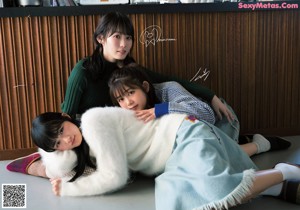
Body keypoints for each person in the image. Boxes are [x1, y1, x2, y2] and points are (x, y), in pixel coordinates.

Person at [6, 11, 235, 178]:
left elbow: (169, 81)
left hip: (128, 132)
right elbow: (67, 114)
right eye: (117, 37)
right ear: (101, 39)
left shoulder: (130, 70)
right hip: (91, 133)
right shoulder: (83, 71)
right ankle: (38, 162)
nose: (124, 44)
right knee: (65, 165)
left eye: (128, 38)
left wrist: (211, 96)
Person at [30, 108, 300, 209]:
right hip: (170, 160)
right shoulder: (83, 146)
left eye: (62, 130)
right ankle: (276, 186)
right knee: (176, 202)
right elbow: (32, 165)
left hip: (182, 135)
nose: (66, 140)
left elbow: (114, 176)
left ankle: (284, 172)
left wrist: (69, 189)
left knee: (215, 189)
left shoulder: (92, 122)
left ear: (66, 117)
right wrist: (56, 168)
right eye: (57, 144)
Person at [108, 64, 291, 157]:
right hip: (200, 129)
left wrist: (161, 109)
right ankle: (244, 140)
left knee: (214, 155)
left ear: (145, 87)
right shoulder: (131, 111)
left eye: (131, 93)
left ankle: (261, 144)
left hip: (220, 118)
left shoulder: (168, 89)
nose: (128, 102)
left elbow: (206, 115)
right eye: (121, 99)